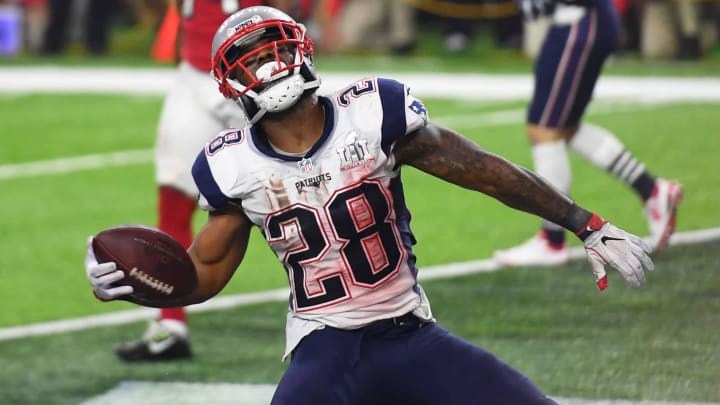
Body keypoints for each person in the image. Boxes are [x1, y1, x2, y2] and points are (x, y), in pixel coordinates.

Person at [86, 6, 654, 403]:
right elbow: (204, 272)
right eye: (250, 60)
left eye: (272, 51)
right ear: (232, 86)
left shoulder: (373, 112)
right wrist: (135, 282)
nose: (266, 67)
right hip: (322, 343)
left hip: (409, 332)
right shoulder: (231, 165)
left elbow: (485, 171)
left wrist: (586, 223)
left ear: (301, 50)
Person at [115, 0, 295, 362]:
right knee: (173, 198)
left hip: (254, 69)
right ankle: (169, 325)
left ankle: (335, 305)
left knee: (295, 194)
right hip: (195, 71)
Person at [493, 0, 683, 267]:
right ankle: (652, 190)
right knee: (565, 127)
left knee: (545, 130)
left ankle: (552, 238)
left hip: (579, 20)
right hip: (580, 20)